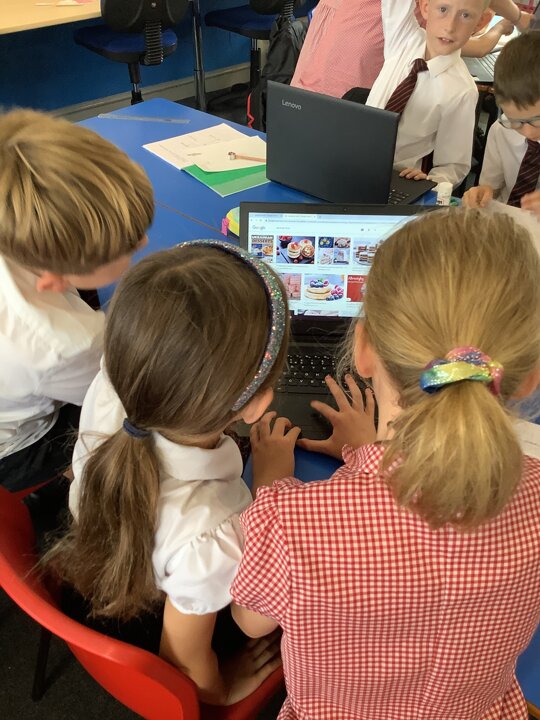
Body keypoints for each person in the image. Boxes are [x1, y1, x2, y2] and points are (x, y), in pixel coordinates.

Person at [231, 208, 540, 720]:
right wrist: (365, 451)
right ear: (529, 379)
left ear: (364, 348)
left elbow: (250, 621)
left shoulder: (292, 524)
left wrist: (271, 483)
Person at [45, 241, 289, 705]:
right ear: (257, 405)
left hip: (97, 565)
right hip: (150, 621)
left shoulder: (114, 382)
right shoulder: (213, 533)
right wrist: (269, 487)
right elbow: (186, 659)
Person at [0, 110, 153, 493]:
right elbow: (124, 387)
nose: (144, 242)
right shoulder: (66, 340)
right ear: (53, 280)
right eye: (127, 247)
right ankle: (60, 485)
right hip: (17, 448)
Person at [364, 0, 526, 188]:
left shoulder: (463, 91)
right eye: (443, 9)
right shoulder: (403, 39)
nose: (450, 27)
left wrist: (429, 182)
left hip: (394, 181)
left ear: (480, 22)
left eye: (465, 15)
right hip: (350, 158)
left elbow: (454, 166)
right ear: (425, 7)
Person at [291, 0, 529, 100]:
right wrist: (508, 23)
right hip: (344, 77)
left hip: (321, 69)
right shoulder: (402, 19)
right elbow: (473, 46)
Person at [463, 32, 540, 218]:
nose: (528, 132)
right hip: (506, 223)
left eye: (537, 120)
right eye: (515, 121)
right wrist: (483, 192)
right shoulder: (501, 130)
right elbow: (492, 187)